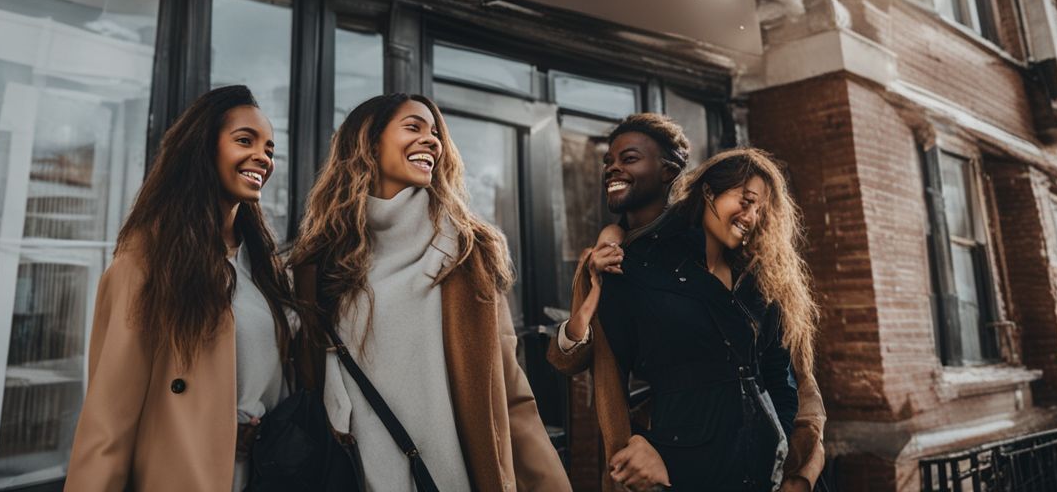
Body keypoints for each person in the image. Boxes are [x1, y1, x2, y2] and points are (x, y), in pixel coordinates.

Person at [288, 93, 571, 491]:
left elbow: (508, 393)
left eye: (435, 132)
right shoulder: (319, 265)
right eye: (413, 127)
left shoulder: (466, 254)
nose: (431, 140)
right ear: (369, 143)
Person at [549, 118, 825, 492]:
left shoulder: (728, 252)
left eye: (629, 158)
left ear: (669, 171)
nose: (613, 167)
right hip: (669, 449)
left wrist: (798, 465)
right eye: (608, 161)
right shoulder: (609, 259)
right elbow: (576, 360)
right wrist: (640, 448)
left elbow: (781, 371)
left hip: (748, 454)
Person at [66, 85, 295, 492]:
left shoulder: (264, 266)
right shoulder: (146, 263)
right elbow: (108, 421)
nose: (263, 157)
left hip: (261, 477)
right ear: (203, 149)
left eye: (270, 149)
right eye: (245, 140)